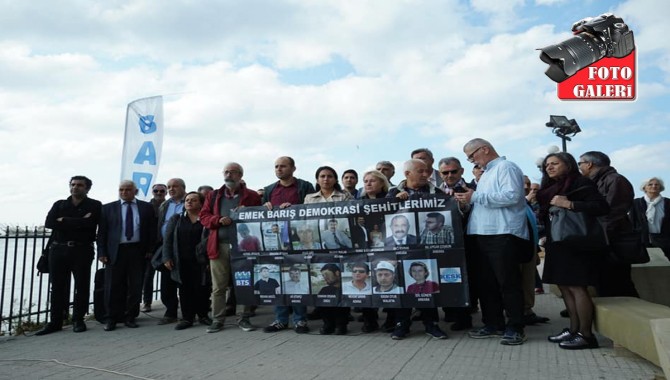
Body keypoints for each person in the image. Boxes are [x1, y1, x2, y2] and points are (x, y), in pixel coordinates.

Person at [454, 138, 529, 346]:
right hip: (481, 234)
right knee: (486, 284)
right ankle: (493, 323)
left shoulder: (506, 167)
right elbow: (481, 201)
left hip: (502, 233)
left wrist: (475, 197)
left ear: (484, 149)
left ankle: (515, 326)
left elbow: (512, 196)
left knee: (508, 282)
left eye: (472, 156)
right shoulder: (485, 174)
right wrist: (467, 201)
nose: (471, 161)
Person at [537, 152, 609, 349]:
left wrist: (569, 203)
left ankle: (586, 335)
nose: (549, 167)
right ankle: (573, 329)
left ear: (567, 165)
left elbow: (601, 206)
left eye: (554, 163)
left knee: (577, 287)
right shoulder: (549, 188)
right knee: (565, 287)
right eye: (547, 165)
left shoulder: (580, 183)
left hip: (577, 243)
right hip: (557, 243)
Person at [200, 162, 262, 333]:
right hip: (219, 246)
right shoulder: (213, 195)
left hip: (243, 247)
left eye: (233, 172)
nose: (229, 175)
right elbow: (204, 217)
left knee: (244, 284)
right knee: (218, 286)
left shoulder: (251, 195)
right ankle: (217, 319)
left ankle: (244, 318)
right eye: (226, 172)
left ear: (240, 175)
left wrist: (247, 211)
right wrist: (218, 220)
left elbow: (260, 216)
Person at [36, 176, 102, 336]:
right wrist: (78, 221)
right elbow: (50, 223)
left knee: (82, 285)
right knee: (57, 287)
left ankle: (78, 319)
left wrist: (64, 221)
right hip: (58, 250)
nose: (75, 187)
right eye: (73, 184)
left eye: (80, 185)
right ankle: (55, 321)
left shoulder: (95, 205)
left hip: (82, 250)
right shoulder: (59, 204)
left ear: (87, 188)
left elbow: (91, 224)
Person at [262, 156, 315, 334]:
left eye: (283, 166)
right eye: (276, 166)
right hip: (275, 240)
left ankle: (300, 320)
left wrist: (294, 207)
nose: (279, 169)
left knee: (296, 277)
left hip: (297, 239)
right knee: (278, 278)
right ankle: (280, 319)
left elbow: (311, 210)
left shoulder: (304, 186)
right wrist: (265, 206)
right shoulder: (270, 189)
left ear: (293, 168)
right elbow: (263, 214)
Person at [97, 180, 157, 331]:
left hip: (137, 251)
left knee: (135, 285)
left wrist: (150, 249)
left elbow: (151, 230)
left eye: (128, 190)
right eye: (121, 189)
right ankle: (111, 318)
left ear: (135, 191)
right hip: (116, 251)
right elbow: (102, 233)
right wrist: (102, 252)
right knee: (113, 286)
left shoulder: (146, 208)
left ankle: (130, 316)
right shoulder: (108, 208)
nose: (124, 192)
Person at [578, 151, 639, 297]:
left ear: (589, 164)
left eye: (580, 163)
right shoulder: (595, 182)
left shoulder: (615, 180)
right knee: (604, 283)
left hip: (612, 241)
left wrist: (601, 239)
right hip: (602, 240)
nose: (579, 167)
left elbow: (613, 213)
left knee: (619, 283)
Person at [304, 166, 352, 335]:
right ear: (317, 180)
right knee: (323, 286)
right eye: (322, 176)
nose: (326, 179)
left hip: (341, 250)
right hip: (319, 248)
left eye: (330, 176)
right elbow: (305, 221)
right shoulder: (309, 198)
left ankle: (341, 323)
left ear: (335, 179)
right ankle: (327, 322)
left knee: (341, 286)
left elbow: (350, 216)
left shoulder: (344, 195)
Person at [161, 191, 211, 330]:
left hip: (201, 260)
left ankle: (203, 315)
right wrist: (167, 257)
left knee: (203, 288)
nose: (189, 202)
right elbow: (168, 239)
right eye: (187, 200)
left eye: (193, 200)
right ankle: (187, 318)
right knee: (185, 289)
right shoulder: (176, 219)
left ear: (201, 203)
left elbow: (211, 239)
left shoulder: (206, 219)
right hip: (181, 260)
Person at [153, 178, 186, 322]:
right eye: (169, 187)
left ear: (183, 188)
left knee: (185, 282)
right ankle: (170, 312)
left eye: (175, 186)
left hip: (184, 246)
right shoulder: (165, 205)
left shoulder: (190, 201)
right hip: (166, 246)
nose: (171, 189)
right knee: (167, 282)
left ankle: (188, 312)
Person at [630, 177, 670, 259]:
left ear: (661, 187)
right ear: (644, 187)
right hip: (642, 240)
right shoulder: (636, 203)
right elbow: (632, 222)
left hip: (665, 241)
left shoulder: (668, 203)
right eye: (650, 184)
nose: (654, 186)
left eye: (657, 184)